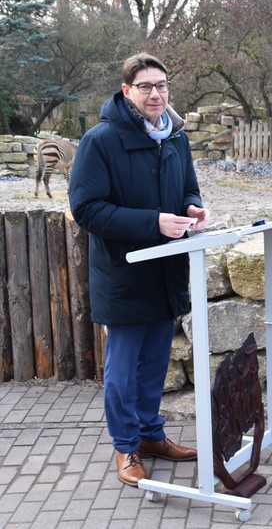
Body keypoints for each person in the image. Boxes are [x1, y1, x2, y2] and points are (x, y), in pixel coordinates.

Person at [69, 53, 210, 486]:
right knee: (123, 369)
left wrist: (193, 209)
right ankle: (126, 446)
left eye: (162, 85)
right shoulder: (101, 140)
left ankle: (151, 436)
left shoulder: (176, 138)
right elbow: (86, 210)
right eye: (146, 86)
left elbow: (188, 188)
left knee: (154, 366)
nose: (156, 94)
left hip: (166, 270)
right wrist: (153, 222)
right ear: (126, 91)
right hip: (123, 274)